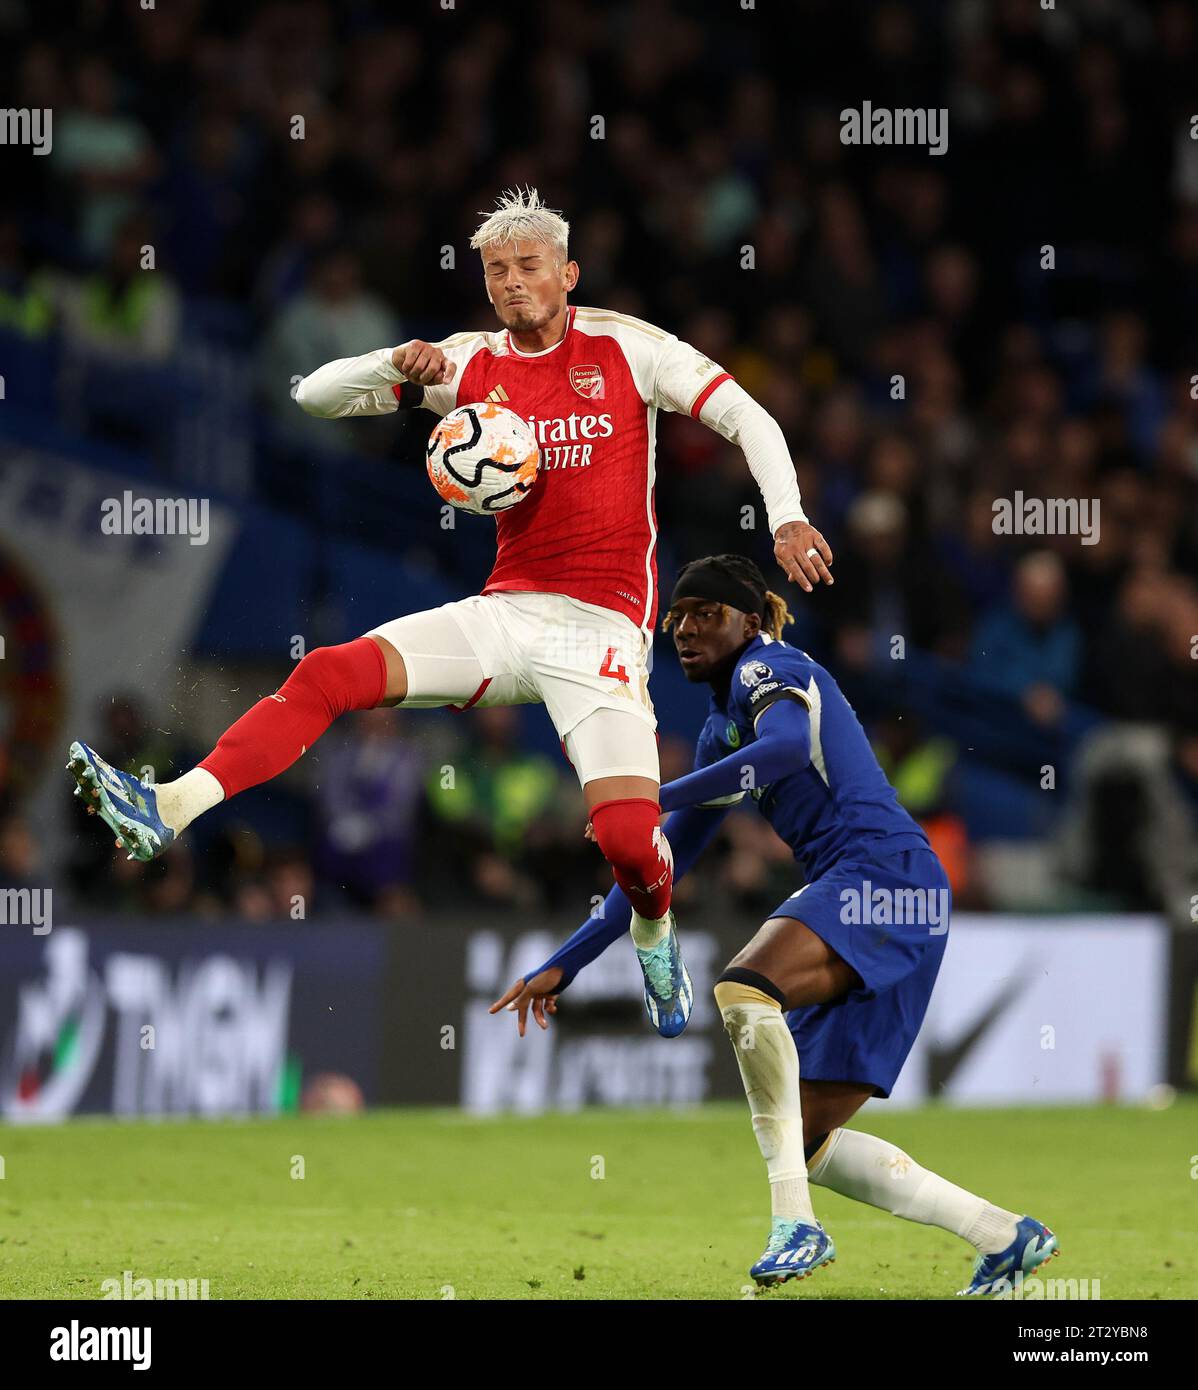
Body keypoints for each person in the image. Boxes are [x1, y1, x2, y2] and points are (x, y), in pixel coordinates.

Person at [66, 187, 833, 1029]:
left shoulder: (628, 349)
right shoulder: (467, 363)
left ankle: (654, 932)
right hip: (503, 615)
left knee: (623, 840)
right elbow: (313, 396)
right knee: (329, 672)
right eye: (496, 270)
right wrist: (394, 365)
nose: (510, 283)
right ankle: (168, 807)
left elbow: (747, 417)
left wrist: (787, 514)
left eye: (528, 267)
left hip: (602, 633)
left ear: (568, 273)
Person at [491, 554, 1058, 1296]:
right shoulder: (724, 732)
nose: (686, 630)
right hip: (899, 896)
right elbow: (660, 866)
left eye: (707, 614)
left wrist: (655, 793)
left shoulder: (770, 669)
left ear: (749, 620)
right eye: (678, 617)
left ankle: (794, 1224)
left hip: (879, 875)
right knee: (811, 1139)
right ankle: (1005, 1236)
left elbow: (787, 749)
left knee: (743, 991)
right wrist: (567, 961)